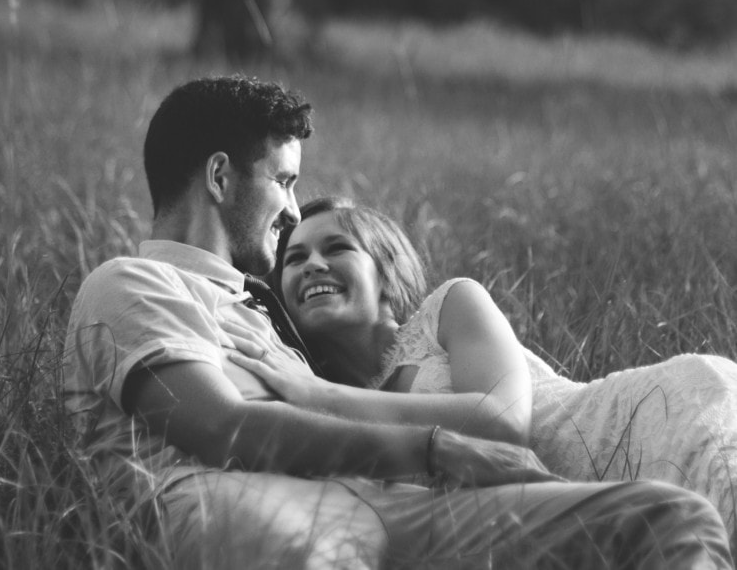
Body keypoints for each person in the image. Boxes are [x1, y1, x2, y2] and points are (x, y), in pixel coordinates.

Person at [64, 77, 734, 570]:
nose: (295, 210)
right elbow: (222, 425)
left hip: (389, 504)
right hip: (246, 507)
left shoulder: (269, 320)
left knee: (667, 516)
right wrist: (434, 446)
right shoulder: (133, 282)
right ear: (218, 176)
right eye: (286, 181)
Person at [229, 196, 737, 551]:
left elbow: (501, 421)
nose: (312, 264)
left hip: (659, 421)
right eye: (294, 259)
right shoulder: (322, 401)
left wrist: (318, 395)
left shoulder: (451, 304)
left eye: (336, 248)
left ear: (385, 273)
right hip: (588, 514)